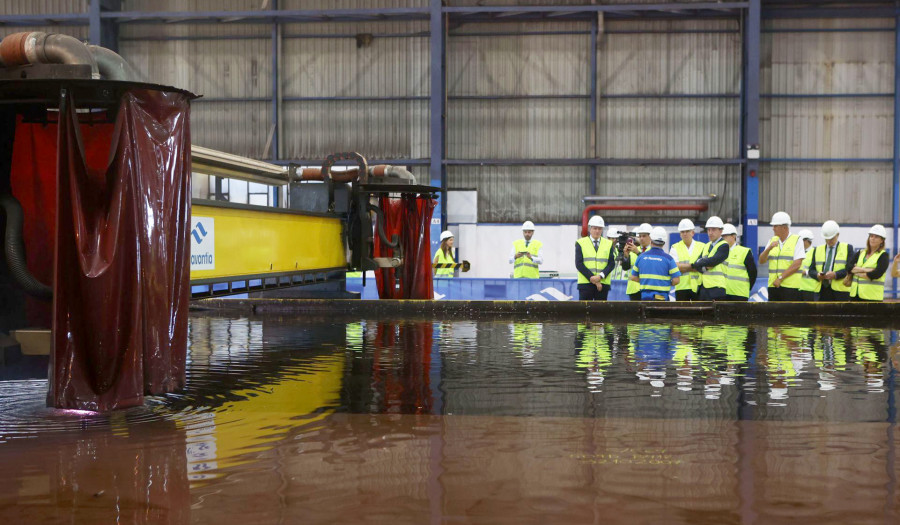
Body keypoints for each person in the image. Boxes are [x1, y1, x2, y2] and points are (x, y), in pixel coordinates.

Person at [758, 211, 804, 302]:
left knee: (788, 315)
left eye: (775, 226)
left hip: (790, 288)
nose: (773, 229)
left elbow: (797, 264)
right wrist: (768, 249)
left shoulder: (797, 240)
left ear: (784, 227)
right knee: (773, 315)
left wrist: (780, 278)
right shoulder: (772, 240)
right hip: (773, 286)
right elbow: (761, 261)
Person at [629, 227, 681, 301]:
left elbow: (633, 277)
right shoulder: (669, 259)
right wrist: (663, 283)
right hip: (662, 298)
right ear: (664, 242)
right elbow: (677, 280)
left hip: (645, 297)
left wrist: (647, 281)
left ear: (651, 240)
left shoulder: (641, 257)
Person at [807, 220, 853, 302]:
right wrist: (817, 275)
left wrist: (835, 274)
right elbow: (811, 270)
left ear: (838, 235)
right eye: (827, 239)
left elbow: (850, 269)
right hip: (821, 292)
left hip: (840, 293)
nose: (829, 241)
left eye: (831, 238)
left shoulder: (847, 248)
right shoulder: (817, 249)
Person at [844, 224, 889, 302]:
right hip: (854, 295)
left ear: (882, 240)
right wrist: (866, 270)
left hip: (872, 298)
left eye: (876, 237)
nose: (873, 239)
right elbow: (848, 267)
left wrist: (857, 272)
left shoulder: (883, 256)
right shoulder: (860, 253)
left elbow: (877, 274)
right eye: (871, 236)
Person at [575, 215, 616, 301]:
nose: (597, 231)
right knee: (585, 311)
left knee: (601, 312)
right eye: (595, 228)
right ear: (590, 228)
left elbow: (611, 263)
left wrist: (600, 276)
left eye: (600, 229)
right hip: (585, 283)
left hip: (603, 283)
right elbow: (579, 264)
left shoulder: (608, 244)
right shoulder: (580, 243)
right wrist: (592, 278)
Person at [691, 216, 729, 301]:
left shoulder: (724, 246)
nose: (710, 232)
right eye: (708, 230)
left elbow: (713, 261)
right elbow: (696, 264)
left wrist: (701, 262)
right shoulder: (706, 246)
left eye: (713, 229)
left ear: (721, 231)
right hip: (703, 289)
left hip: (717, 289)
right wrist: (705, 267)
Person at [671, 219, 706, 301]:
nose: (685, 234)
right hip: (681, 287)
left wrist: (683, 267)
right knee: (682, 312)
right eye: (682, 232)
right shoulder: (675, 247)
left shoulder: (702, 247)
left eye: (687, 231)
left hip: (699, 286)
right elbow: (675, 267)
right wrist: (694, 267)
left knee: (698, 312)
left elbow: (704, 266)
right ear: (680, 234)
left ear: (692, 233)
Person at [722, 223, 756, 301]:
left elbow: (753, 273)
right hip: (722, 294)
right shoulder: (718, 252)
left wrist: (746, 288)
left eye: (725, 236)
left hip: (740, 294)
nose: (723, 239)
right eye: (721, 237)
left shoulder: (744, 252)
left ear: (733, 236)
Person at [622, 223, 652, 301]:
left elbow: (649, 265)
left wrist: (638, 253)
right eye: (640, 236)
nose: (641, 238)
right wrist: (626, 256)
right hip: (633, 289)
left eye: (644, 236)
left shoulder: (653, 250)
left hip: (648, 288)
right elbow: (625, 267)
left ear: (650, 237)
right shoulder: (633, 249)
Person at [796, 229, 818, 301]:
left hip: (810, 290)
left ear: (806, 241)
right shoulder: (796, 252)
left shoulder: (816, 252)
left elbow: (818, 269)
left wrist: (806, 272)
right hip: (797, 288)